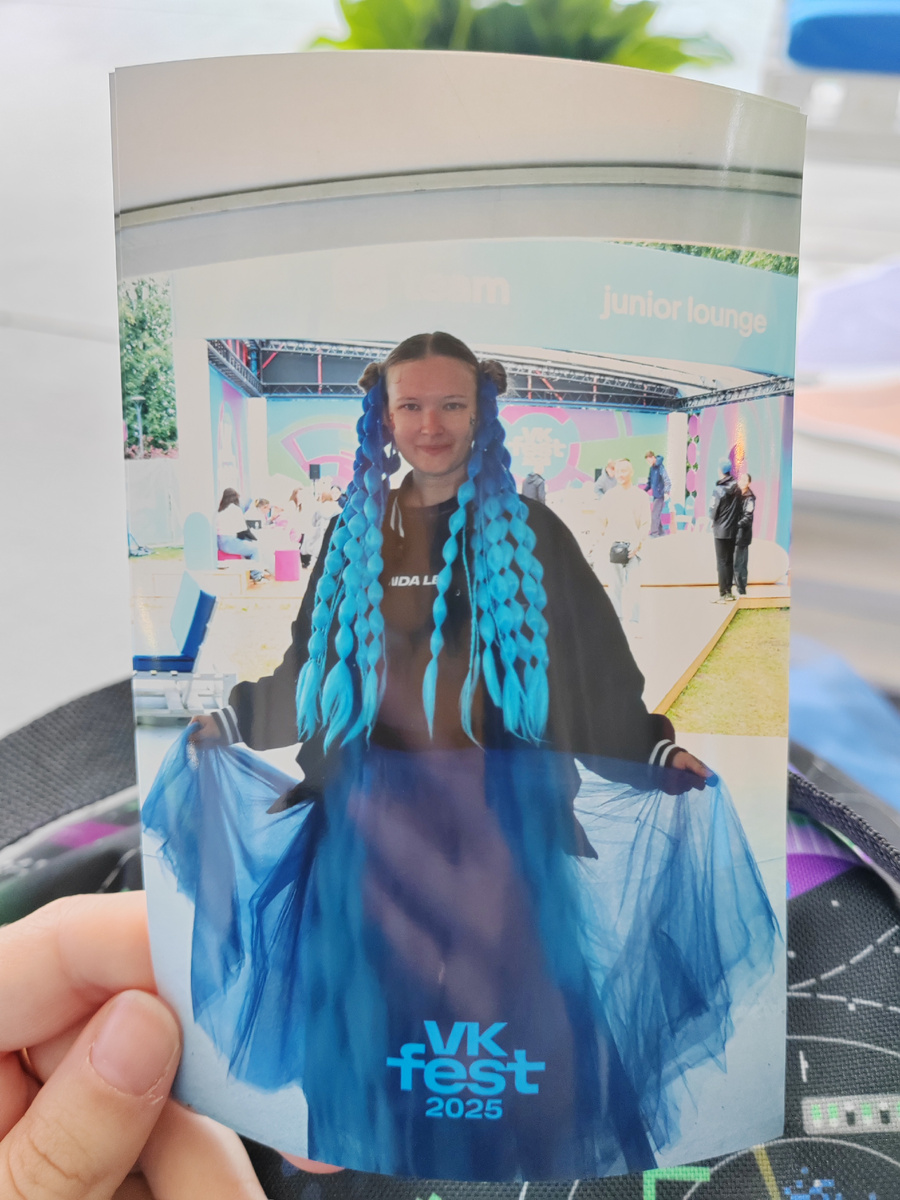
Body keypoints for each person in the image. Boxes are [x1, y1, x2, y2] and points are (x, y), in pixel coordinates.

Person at [168, 333, 775, 1180]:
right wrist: (232, 718)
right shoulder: (353, 537)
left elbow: (593, 677)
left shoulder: (532, 534)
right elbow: (308, 671)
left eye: (451, 404)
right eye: (411, 405)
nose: (431, 424)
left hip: (503, 831)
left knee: (515, 1037)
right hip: (366, 833)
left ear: (482, 412)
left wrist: (653, 747)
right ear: (382, 417)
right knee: (373, 1041)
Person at [596, 458, 651, 637]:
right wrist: (603, 540)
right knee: (614, 587)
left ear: (631, 472)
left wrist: (637, 543)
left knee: (634, 587)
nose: (621, 475)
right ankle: (616, 624)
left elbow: (645, 523)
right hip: (613, 548)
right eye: (618, 471)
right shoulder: (609, 496)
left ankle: (634, 622)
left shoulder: (641, 496)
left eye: (624, 471)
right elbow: (600, 522)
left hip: (634, 549)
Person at [708, 457, 742, 603]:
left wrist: (713, 520)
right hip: (733, 530)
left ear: (721, 470)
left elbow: (712, 511)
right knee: (729, 561)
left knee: (721, 562)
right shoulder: (737, 488)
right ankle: (729, 592)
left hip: (720, 531)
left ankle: (723, 594)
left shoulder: (718, 490)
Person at [216, 488, 264, 583]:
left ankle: (252, 572)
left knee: (248, 546)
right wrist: (253, 539)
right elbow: (242, 530)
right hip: (230, 542)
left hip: (221, 542)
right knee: (255, 549)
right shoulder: (235, 509)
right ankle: (257, 576)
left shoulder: (220, 510)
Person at [734, 472, 756, 597]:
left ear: (749, 483)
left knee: (740, 564)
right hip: (733, 534)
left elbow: (747, 517)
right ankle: (737, 588)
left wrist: (735, 525)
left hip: (742, 535)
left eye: (745, 480)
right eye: (741, 479)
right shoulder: (736, 494)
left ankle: (741, 589)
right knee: (734, 563)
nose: (742, 481)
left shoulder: (750, 498)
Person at [642, 450, 671, 537]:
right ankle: (661, 532)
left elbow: (667, 480)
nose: (649, 463)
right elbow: (650, 482)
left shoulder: (660, 467)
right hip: (655, 495)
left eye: (649, 460)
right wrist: (644, 491)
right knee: (656, 513)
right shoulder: (652, 469)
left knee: (654, 514)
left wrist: (666, 492)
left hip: (660, 494)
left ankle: (654, 533)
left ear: (653, 457)